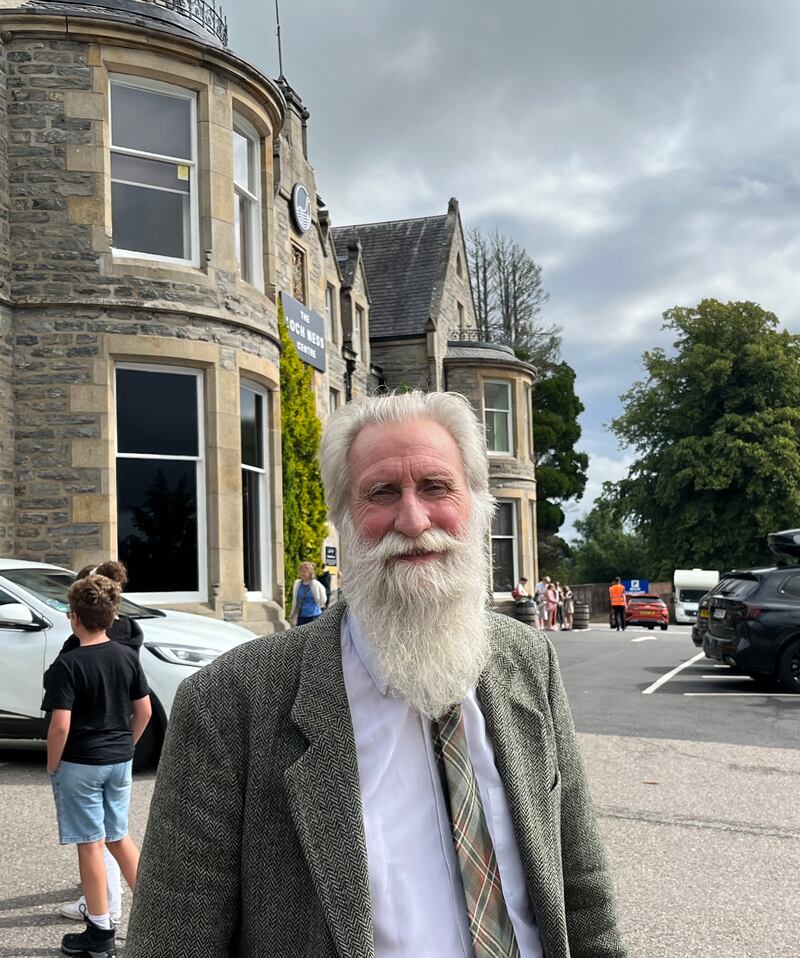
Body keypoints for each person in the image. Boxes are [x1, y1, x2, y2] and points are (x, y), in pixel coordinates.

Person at [127, 390, 628, 958]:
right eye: (381, 493)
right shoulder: (231, 701)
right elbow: (172, 940)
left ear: (478, 506)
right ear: (343, 517)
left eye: (436, 487)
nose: (413, 521)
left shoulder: (529, 661)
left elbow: (582, 888)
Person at [42, 574, 152, 958]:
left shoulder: (67, 664)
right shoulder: (126, 655)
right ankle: (155, 916)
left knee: (90, 844)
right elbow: (145, 710)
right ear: (111, 615)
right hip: (119, 759)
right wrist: (127, 745)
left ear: (74, 617)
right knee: (119, 837)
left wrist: (53, 763)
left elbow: (60, 725)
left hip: (81, 762)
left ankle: (100, 931)